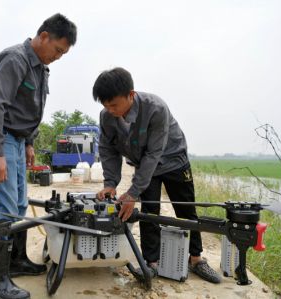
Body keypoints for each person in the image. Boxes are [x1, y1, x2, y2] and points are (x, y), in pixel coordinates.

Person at [0, 13, 77, 299]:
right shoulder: (15, 59)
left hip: (18, 140)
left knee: (19, 204)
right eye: (57, 50)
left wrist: (30, 143)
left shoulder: (41, 69)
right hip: (0, 135)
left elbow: (32, 110)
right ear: (43, 36)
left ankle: (16, 261)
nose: (57, 57)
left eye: (63, 54)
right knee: (4, 206)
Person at [93, 67, 221, 284]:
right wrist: (110, 183)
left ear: (130, 95)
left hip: (173, 160)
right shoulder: (107, 116)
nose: (110, 110)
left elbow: (154, 153)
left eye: (114, 104)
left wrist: (133, 193)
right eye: (105, 105)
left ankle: (196, 258)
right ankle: (151, 263)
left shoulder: (155, 108)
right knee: (149, 211)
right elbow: (108, 149)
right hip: (144, 164)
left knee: (185, 209)